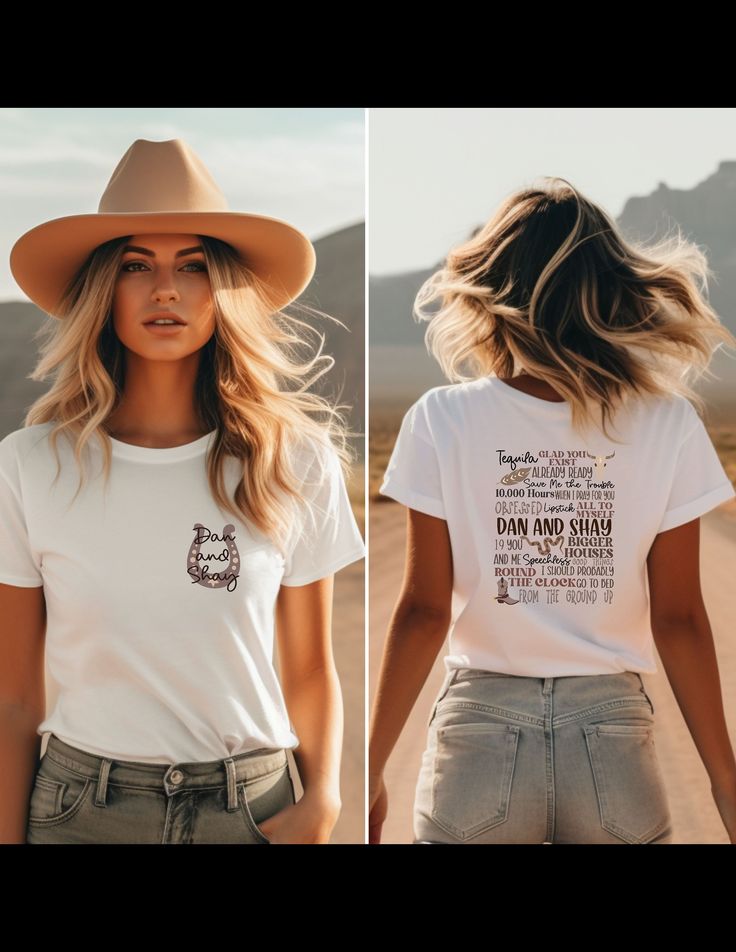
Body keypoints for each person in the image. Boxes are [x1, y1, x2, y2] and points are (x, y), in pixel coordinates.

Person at [0, 138, 366, 844]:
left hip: (255, 810)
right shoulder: (28, 466)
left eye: (193, 267)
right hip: (82, 816)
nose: (165, 289)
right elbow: (13, 698)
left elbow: (312, 668)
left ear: (223, 290)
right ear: (104, 291)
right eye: (137, 266)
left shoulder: (292, 461)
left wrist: (323, 802)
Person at [369, 176, 736, 845]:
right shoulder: (667, 424)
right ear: (608, 287)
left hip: (478, 727)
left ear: (493, 287)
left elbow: (424, 610)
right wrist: (725, 784)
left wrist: (370, 769)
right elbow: (680, 617)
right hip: (611, 736)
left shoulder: (443, 418)